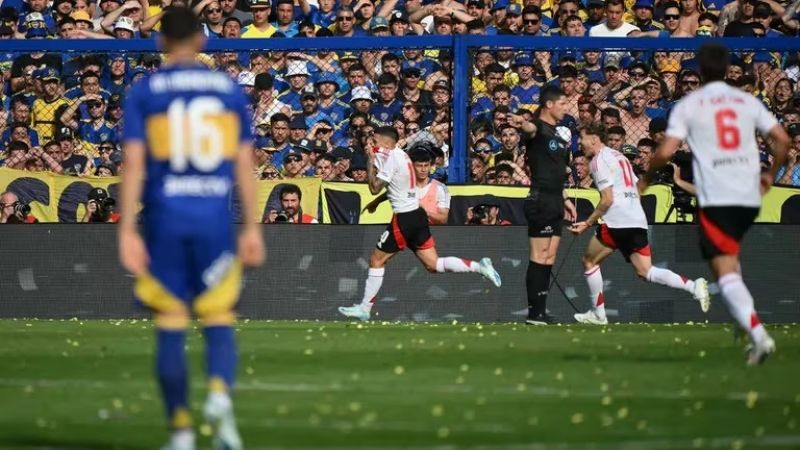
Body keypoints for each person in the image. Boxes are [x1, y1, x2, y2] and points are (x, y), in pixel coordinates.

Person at [118, 7, 265, 450]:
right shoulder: (226, 90)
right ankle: (219, 393)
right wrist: (253, 228)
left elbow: (133, 163)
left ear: (161, 41)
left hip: (166, 221)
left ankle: (181, 432)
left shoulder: (147, 91)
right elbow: (245, 163)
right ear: (202, 40)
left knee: (171, 320)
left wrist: (126, 230)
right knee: (219, 316)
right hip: (214, 221)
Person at [641, 43, 790, 366]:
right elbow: (783, 140)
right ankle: (742, 318)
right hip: (750, 194)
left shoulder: (689, 105)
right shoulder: (747, 101)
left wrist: (646, 177)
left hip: (718, 196)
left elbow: (665, 153)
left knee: (723, 269)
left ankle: (759, 336)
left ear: (699, 72)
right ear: (727, 70)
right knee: (728, 260)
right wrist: (771, 173)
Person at [338, 127, 501, 322]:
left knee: (376, 261)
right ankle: (479, 267)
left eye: (375, 139)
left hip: (404, 218)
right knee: (434, 264)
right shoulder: (400, 155)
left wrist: (370, 160)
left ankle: (365, 308)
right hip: (416, 216)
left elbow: (374, 187)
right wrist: (377, 197)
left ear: (386, 142)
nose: (373, 142)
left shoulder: (393, 159)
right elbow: (394, 182)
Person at [569, 123, 710, 325]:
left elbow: (607, 199)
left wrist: (587, 223)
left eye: (582, 137)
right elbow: (637, 186)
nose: (579, 142)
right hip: (636, 218)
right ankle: (693, 286)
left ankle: (598, 314)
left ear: (594, 138)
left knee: (589, 261)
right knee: (646, 271)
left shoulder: (598, 162)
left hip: (617, 221)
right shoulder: (619, 157)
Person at [507, 86, 577, 325]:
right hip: (540, 198)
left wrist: (566, 199)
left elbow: (557, 171)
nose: (566, 109)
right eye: (563, 104)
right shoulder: (538, 128)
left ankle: (542, 311)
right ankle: (534, 312)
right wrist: (521, 121)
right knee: (538, 255)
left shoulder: (558, 134)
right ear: (549, 104)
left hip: (557, 199)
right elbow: (529, 128)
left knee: (549, 257)